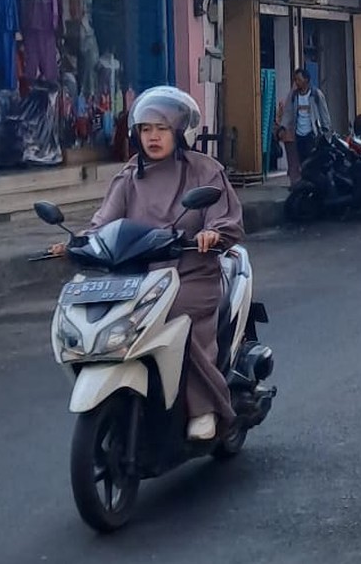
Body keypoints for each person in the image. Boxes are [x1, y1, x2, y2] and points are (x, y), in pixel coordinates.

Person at [49, 87, 242, 441]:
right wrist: (76, 243)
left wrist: (212, 233)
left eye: (161, 128)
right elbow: (102, 223)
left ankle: (205, 407)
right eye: (145, 129)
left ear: (178, 131)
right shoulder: (129, 176)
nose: (152, 137)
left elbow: (223, 217)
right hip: (136, 278)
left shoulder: (204, 170)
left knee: (173, 319)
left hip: (191, 273)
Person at [275, 67, 331, 182]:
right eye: (295, 80)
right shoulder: (294, 96)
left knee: (312, 161)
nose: (297, 82)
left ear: (306, 80)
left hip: (312, 134)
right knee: (302, 162)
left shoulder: (316, 94)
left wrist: (326, 132)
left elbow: (324, 114)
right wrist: (283, 128)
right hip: (299, 134)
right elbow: (288, 113)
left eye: (299, 80)